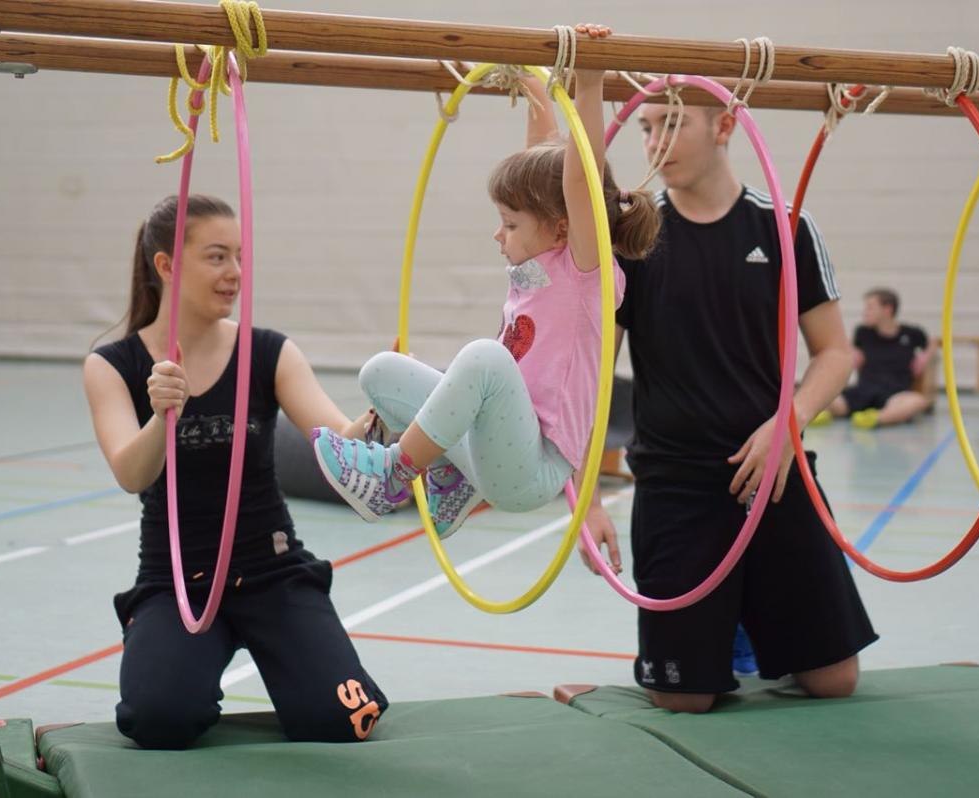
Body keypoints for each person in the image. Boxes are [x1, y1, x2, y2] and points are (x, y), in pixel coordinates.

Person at [578, 99, 879, 713]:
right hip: (675, 484)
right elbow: (594, 376)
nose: (655, 142)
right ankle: (726, 627)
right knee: (681, 697)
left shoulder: (785, 227)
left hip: (772, 476)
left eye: (673, 122)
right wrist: (582, 497)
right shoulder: (633, 237)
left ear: (724, 126)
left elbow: (835, 354)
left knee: (835, 682)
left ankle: (742, 617)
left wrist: (784, 428)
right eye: (645, 126)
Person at [310, 26, 660, 544]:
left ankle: (393, 477)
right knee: (379, 372)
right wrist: (532, 83)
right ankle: (451, 478)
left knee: (485, 359)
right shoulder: (539, 258)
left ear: (560, 226)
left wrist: (589, 85)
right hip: (494, 445)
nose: (498, 235)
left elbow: (577, 182)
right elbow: (540, 160)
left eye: (511, 225)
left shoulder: (587, 274)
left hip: (535, 465)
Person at [83, 194, 386, 749]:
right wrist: (161, 417)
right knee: (159, 720)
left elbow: (334, 441)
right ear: (167, 266)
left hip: (271, 571)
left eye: (240, 258)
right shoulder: (111, 365)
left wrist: (380, 423)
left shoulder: (269, 351)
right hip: (177, 582)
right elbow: (131, 471)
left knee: (344, 720)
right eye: (217, 257)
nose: (235, 274)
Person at [815, 288, 937, 428]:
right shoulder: (863, 332)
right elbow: (849, 349)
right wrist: (851, 352)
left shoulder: (911, 334)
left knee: (918, 401)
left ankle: (876, 418)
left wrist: (925, 356)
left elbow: (933, 342)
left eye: (870, 308)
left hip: (894, 394)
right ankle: (825, 413)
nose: (865, 312)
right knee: (826, 395)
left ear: (887, 309)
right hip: (863, 390)